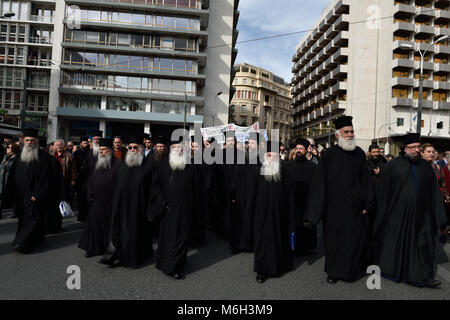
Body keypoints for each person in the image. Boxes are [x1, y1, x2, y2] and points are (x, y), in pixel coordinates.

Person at [372, 133, 447, 288]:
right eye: (412, 147)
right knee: (397, 244)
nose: (415, 150)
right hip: (398, 216)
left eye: (417, 147)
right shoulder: (392, 166)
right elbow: (383, 192)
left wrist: (439, 216)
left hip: (423, 216)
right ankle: (396, 271)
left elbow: (434, 192)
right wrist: (382, 213)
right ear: (405, 148)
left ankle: (423, 276)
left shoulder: (426, 167)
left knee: (423, 245)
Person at [304, 116, 370, 284]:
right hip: (334, 209)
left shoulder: (360, 154)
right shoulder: (328, 155)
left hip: (355, 208)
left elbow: (366, 181)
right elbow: (320, 184)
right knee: (334, 242)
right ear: (337, 135)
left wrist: (367, 204)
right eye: (346, 132)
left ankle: (351, 271)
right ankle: (333, 272)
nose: (350, 135)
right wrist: (316, 211)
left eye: (352, 132)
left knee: (353, 241)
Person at [147, 137, 205, 279]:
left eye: (180, 148)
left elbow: (197, 191)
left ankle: (176, 267)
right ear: (170, 150)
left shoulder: (191, 167)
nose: (178, 150)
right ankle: (162, 262)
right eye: (174, 148)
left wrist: (194, 209)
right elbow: (155, 187)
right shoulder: (162, 166)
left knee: (180, 239)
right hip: (166, 210)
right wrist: (162, 203)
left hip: (184, 211)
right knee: (166, 239)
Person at [101, 137, 154, 268]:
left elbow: (152, 189)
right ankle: (117, 255)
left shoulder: (148, 166)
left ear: (141, 149)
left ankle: (134, 259)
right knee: (120, 232)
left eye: (135, 147)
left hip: (138, 208)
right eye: (130, 147)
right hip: (122, 206)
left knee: (136, 234)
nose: (132, 150)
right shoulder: (125, 164)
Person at [253, 142, 293, 283]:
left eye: (273, 154)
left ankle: (278, 266)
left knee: (279, 238)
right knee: (262, 241)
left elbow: (289, 193)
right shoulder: (258, 170)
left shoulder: (284, 170)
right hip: (261, 214)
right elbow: (253, 193)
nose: (270, 157)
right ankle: (262, 270)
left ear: (278, 155)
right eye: (267, 155)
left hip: (279, 213)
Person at [9, 128, 50, 253]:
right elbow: (12, 175)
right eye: (27, 140)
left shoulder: (44, 156)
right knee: (23, 218)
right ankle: (26, 238)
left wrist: (37, 193)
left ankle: (23, 244)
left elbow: (46, 177)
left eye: (32, 140)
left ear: (36, 141)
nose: (29, 143)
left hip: (34, 195)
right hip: (21, 195)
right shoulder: (19, 155)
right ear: (23, 141)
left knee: (32, 218)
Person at [79, 138, 121, 258]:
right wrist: (90, 194)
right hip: (96, 201)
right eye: (100, 150)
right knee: (94, 227)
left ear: (110, 151)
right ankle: (92, 248)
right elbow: (90, 180)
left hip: (110, 202)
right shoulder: (96, 163)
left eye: (104, 150)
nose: (101, 152)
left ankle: (108, 249)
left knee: (108, 228)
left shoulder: (119, 164)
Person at [228, 132, 261, 253]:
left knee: (253, 220)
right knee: (239, 220)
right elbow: (235, 178)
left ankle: (251, 244)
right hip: (241, 196)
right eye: (249, 143)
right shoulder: (241, 159)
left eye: (253, 143)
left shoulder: (261, 160)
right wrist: (233, 194)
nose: (250, 146)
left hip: (256, 196)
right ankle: (239, 244)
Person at [286, 138, 318, 254]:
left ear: (306, 150)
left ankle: (306, 247)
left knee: (305, 225)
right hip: (292, 200)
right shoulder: (288, 165)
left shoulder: (313, 167)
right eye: (297, 148)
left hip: (306, 201)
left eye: (301, 149)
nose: (298, 151)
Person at [39, 138, 64, 234]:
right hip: (45, 191)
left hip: (52, 190)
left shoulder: (52, 160)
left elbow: (58, 178)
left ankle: (52, 227)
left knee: (51, 211)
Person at [52, 139, 77, 205]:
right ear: (54, 146)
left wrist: (73, 179)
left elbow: (73, 169)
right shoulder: (51, 155)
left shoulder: (69, 156)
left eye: (60, 145)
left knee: (65, 196)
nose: (58, 146)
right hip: (54, 180)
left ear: (64, 146)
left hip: (65, 179)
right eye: (57, 145)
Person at [0, 143, 19, 219]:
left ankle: (16, 212)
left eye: (9, 147)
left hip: (10, 181)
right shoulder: (5, 157)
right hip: (2, 180)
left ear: (13, 149)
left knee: (13, 198)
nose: (7, 148)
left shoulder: (15, 159)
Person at [73, 137, 90, 222]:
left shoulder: (90, 152)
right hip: (79, 179)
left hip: (88, 178)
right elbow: (74, 166)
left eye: (87, 143)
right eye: (84, 143)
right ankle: (81, 216)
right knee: (80, 198)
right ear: (80, 144)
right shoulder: (76, 153)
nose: (85, 145)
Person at [440, 152, 450, 243]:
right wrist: (445, 194)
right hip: (447, 195)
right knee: (445, 215)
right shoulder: (443, 169)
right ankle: (443, 234)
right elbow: (442, 183)